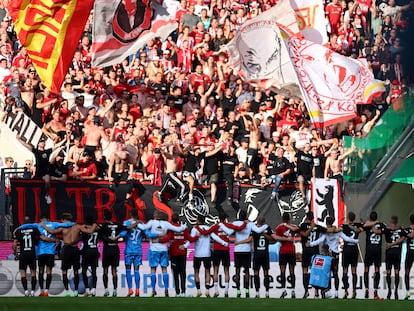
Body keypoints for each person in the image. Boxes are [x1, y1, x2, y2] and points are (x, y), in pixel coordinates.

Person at [41, 213, 97, 297]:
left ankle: (67, 291)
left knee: (65, 271)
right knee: (75, 271)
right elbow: (90, 231)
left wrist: (43, 225)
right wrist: (94, 225)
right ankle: (76, 292)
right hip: (75, 249)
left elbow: (51, 231)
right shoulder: (78, 226)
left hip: (67, 249)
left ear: (63, 219)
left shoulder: (63, 227)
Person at [307, 216, 359, 299]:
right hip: (336, 254)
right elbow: (346, 238)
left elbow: (319, 240)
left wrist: (311, 244)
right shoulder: (337, 231)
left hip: (328, 256)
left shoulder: (326, 232)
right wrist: (355, 241)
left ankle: (328, 292)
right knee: (335, 274)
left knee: (327, 274)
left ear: (326, 223)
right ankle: (337, 292)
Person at [220, 209, 268, 298]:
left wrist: (222, 225)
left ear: (238, 216)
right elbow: (258, 231)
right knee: (247, 271)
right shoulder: (249, 224)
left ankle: (238, 291)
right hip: (246, 250)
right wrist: (265, 226)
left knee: (237, 271)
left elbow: (229, 232)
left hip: (237, 250)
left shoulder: (235, 223)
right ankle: (247, 291)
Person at [138, 210, 186, 297]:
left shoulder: (151, 222)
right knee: (164, 269)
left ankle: (153, 290)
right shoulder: (166, 224)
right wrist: (184, 226)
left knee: (153, 269)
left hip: (154, 249)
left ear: (155, 216)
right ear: (161, 216)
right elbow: (178, 229)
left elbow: (143, 227)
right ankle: (166, 290)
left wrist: (136, 223)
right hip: (163, 249)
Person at [121, 208, 162, 297]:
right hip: (138, 250)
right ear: (137, 215)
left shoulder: (126, 223)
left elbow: (123, 234)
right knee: (136, 270)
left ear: (130, 214)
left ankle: (130, 289)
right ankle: (138, 290)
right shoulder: (141, 224)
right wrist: (158, 235)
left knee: (128, 270)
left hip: (128, 250)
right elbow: (148, 234)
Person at [158, 212, 194, 297]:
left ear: (172, 220)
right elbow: (190, 239)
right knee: (183, 273)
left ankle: (177, 293)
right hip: (182, 253)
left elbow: (167, 238)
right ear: (178, 220)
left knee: (176, 274)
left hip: (174, 253)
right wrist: (197, 236)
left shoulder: (172, 229)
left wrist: (158, 240)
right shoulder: (184, 228)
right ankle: (183, 292)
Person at [99, 209, 130, 297]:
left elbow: (101, 236)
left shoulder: (103, 226)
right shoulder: (117, 224)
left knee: (105, 270)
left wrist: (109, 239)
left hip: (107, 249)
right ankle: (115, 291)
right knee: (114, 271)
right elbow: (128, 228)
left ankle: (106, 290)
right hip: (115, 249)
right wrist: (137, 222)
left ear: (105, 217)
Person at [298, 211, 327, 298]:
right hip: (315, 251)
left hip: (306, 251)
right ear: (313, 217)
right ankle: (316, 292)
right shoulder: (317, 226)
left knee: (305, 270)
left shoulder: (302, 226)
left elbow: (302, 233)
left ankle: (306, 291)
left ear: (306, 217)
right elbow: (327, 231)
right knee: (316, 271)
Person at [272, 212, 299, 299]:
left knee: (282, 271)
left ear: (282, 219)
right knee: (292, 271)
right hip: (291, 251)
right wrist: (287, 238)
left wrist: (285, 226)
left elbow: (275, 237)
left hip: (283, 251)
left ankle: (284, 290)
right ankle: (293, 290)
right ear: (289, 218)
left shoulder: (280, 227)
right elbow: (296, 229)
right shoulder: (292, 226)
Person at [361, 211, 386, 300]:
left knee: (366, 269)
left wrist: (372, 224)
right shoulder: (381, 224)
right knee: (377, 269)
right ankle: (375, 291)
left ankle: (367, 290)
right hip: (377, 250)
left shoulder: (368, 225)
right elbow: (382, 230)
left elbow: (364, 226)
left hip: (369, 250)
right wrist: (376, 223)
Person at [13, 217, 40, 296]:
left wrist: (16, 254)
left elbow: (14, 244)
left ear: (23, 223)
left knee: (23, 272)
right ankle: (32, 291)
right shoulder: (35, 230)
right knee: (33, 272)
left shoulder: (19, 231)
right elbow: (38, 240)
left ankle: (25, 291)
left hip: (23, 254)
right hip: (32, 253)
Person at [341, 211, 364, 299]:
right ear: (354, 218)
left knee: (345, 270)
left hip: (346, 249)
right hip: (354, 249)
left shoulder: (344, 226)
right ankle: (354, 291)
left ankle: (345, 291)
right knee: (354, 271)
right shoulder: (358, 225)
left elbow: (339, 230)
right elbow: (363, 227)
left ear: (348, 217)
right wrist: (359, 229)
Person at [384, 215, 406, 300]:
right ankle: (396, 291)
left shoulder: (387, 229)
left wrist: (390, 244)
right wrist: (402, 228)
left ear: (391, 220)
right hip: (397, 253)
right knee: (397, 272)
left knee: (388, 272)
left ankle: (389, 291)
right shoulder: (400, 229)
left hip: (389, 253)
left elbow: (379, 231)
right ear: (397, 221)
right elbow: (404, 238)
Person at [80, 215, 101, 297]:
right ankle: (94, 290)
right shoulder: (97, 229)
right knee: (94, 271)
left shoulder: (84, 229)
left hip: (86, 251)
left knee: (84, 271)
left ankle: (87, 289)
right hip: (95, 251)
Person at [404, 214, 414, 300]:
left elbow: (403, 238)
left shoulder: (407, 230)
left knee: (407, 272)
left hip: (410, 253)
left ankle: (407, 292)